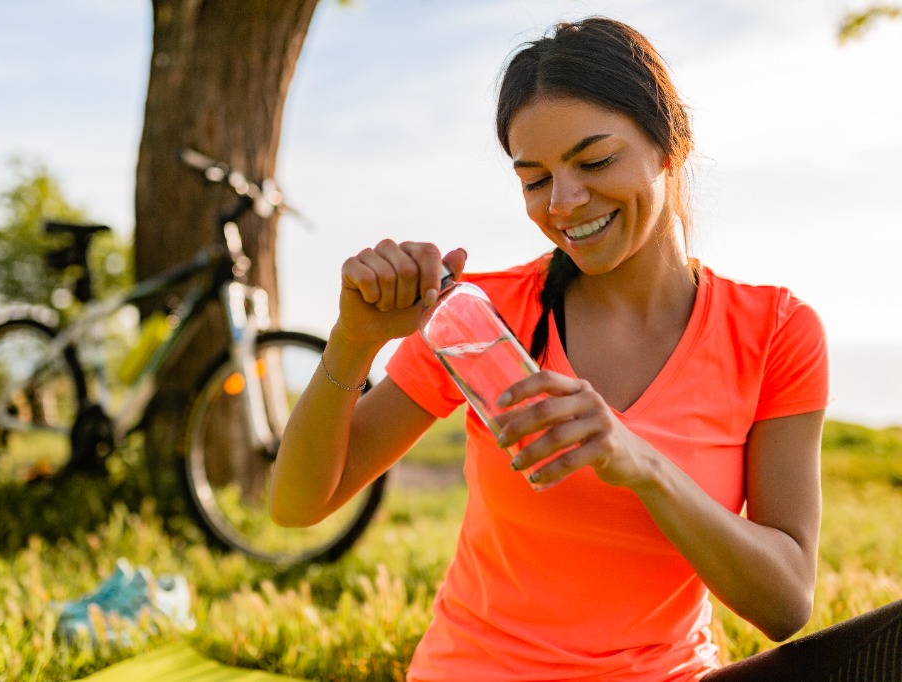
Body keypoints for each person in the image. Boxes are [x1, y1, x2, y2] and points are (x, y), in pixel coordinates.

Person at [270, 16, 900, 681]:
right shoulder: (484, 317)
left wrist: (638, 462)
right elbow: (297, 504)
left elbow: (785, 602)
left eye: (595, 161)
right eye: (534, 179)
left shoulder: (775, 329)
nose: (565, 203)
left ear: (669, 146)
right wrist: (352, 343)